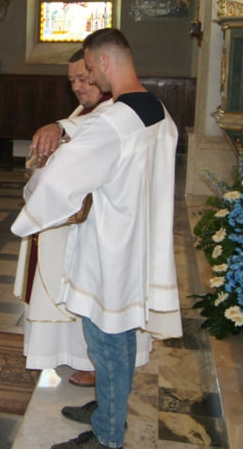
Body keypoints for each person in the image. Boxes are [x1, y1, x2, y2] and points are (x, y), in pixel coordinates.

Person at [11, 28, 181, 449]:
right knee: (118, 336)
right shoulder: (158, 111)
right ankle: (108, 408)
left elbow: (60, 180)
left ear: (104, 63)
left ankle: (108, 436)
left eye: (89, 68)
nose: (89, 77)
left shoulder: (115, 121)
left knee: (107, 343)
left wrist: (29, 204)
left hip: (108, 250)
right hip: (138, 245)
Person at [18, 50, 152, 389]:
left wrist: (37, 190)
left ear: (100, 72)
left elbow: (89, 141)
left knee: (91, 296)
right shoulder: (87, 111)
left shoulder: (115, 114)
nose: (77, 86)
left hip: (98, 226)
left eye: (84, 77)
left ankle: (95, 366)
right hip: (72, 220)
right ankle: (80, 357)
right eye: (72, 81)